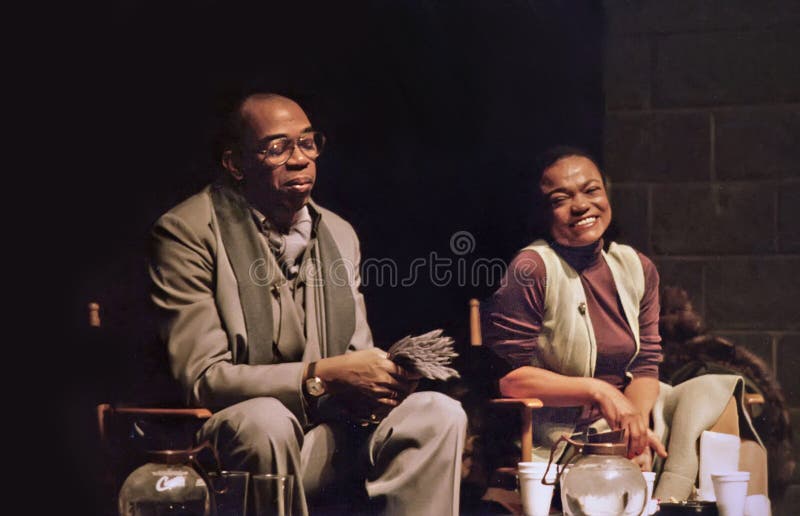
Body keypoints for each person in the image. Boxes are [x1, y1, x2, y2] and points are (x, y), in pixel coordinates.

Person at [148, 92, 466, 515]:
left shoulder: (338, 232)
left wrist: (383, 381)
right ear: (236, 164)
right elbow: (204, 380)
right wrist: (321, 376)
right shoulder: (187, 232)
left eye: (307, 143)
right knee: (266, 420)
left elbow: (354, 353)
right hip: (233, 446)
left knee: (437, 413)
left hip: (329, 432)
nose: (299, 159)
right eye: (277, 148)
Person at [481, 146, 769, 504]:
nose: (582, 205)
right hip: (563, 432)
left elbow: (646, 364)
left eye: (592, 190)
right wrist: (599, 392)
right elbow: (511, 380)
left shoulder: (635, 267)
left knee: (737, 434)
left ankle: (672, 500)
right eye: (561, 198)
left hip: (630, 416)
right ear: (544, 212)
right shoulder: (532, 269)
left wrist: (632, 426)